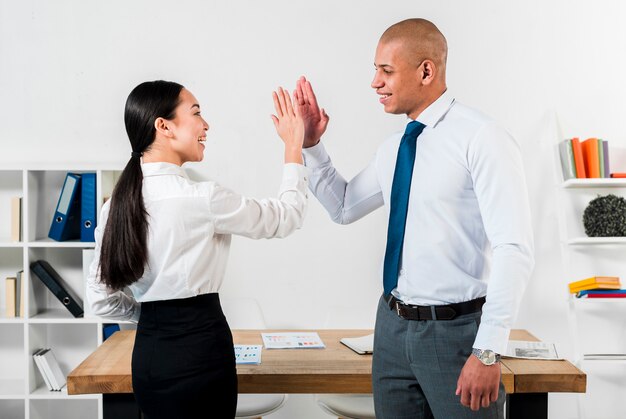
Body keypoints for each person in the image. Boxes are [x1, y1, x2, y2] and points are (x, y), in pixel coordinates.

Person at [295, 18, 534, 418]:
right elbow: (343, 207)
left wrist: (489, 349)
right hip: (391, 327)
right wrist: (313, 145)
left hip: (456, 335)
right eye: (375, 70)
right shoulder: (395, 147)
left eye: (386, 70)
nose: (374, 82)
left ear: (426, 70)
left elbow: (514, 247)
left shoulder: (482, 138)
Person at [85, 80, 307, 419]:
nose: (206, 125)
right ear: (164, 127)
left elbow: (101, 299)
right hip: (201, 354)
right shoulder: (202, 198)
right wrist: (294, 147)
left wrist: (154, 318)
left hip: (149, 357)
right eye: (196, 113)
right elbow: (286, 217)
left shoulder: (113, 204)